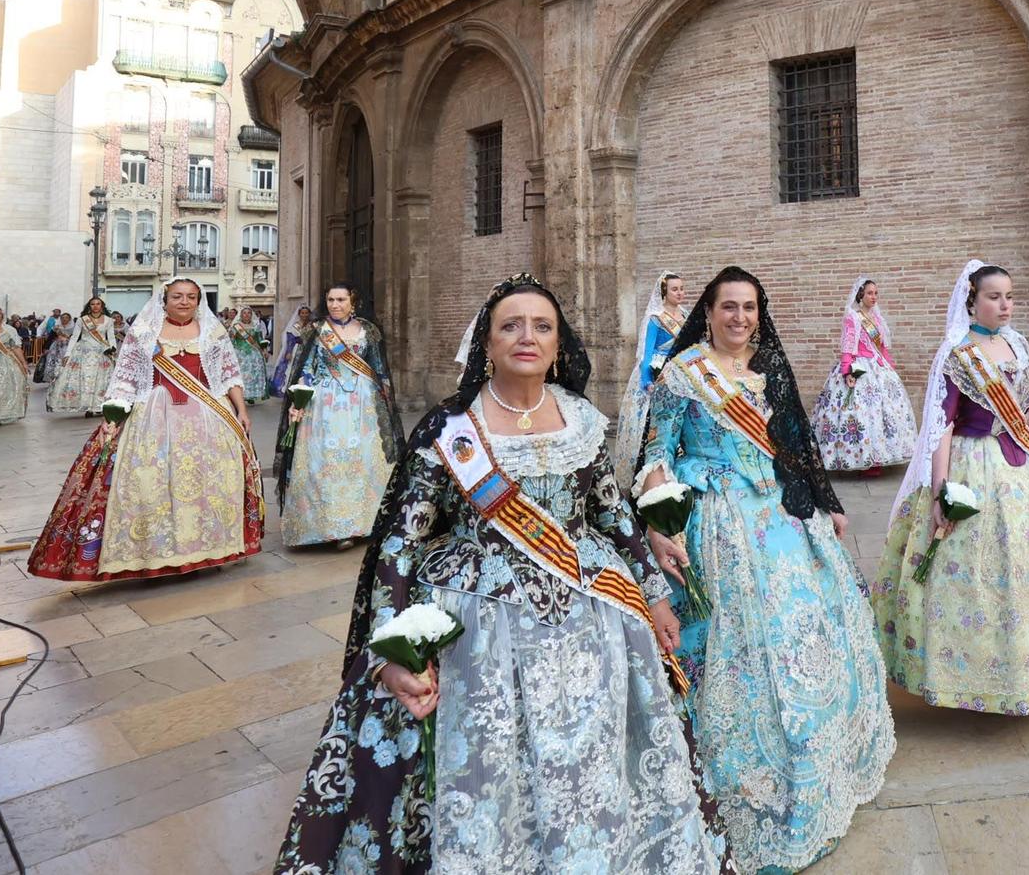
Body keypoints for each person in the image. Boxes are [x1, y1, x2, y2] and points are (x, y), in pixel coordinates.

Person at [275, 273, 735, 874]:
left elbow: (614, 516)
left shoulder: (583, 421)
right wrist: (391, 649)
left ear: (558, 345)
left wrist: (653, 597)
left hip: (590, 610)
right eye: (510, 326)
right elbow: (400, 543)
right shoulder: (451, 429)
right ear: (486, 345)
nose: (527, 336)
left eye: (542, 326)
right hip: (475, 625)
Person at [638, 265, 894, 873]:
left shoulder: (770, 368)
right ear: (708, 311)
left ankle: (818, 767)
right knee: (739, 647)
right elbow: (656, 450)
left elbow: (794, 444)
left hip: (782, 517)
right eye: (729, 307)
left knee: (806, 636)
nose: (740, 318)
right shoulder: (682, 374)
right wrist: (659, 521)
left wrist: (826, 504)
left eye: (749, 307)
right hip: (718, 522)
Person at [873, 260, 1029, 715]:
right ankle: (972, 677)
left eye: (1009, 295)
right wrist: (942, 487)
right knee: (981, 573)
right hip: (974, 464)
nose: (1004, 304)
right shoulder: (957, 354)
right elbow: (941, 427)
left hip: (1024, 467)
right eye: (993, 296)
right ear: (972, 301)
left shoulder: (1019, 345)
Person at [27, 279, 260, 581]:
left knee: (210, 483)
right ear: (164, 298)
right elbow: (125, 377)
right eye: (177, 296)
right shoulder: (143, 332)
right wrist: (114, 411)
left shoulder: (214, 332)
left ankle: (210, 548)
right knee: (152, 483)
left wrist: (241, 409)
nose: (184, 301)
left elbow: (229, 373)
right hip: (154, 416)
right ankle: (157, 552)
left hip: (209, 416)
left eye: (191, 297)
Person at [275, 283, 400, 547]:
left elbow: (379, 368)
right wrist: (299, 400)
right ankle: (329, 526)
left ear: (352, 302)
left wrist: (386, 398)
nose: (335, 304)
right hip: (325, 403)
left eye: (341, 299)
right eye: (331, 299)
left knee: (363, 458)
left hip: (363, 403)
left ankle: (364, 523)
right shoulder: (317, 330)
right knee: (325, 460)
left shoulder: (368, 330)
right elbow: (307, 367)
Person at [809, 277, 919, 475]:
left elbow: (882, 348)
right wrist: (847, 370)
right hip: (859, 366)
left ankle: (878, 458)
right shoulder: (853, 317)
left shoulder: (877, 318)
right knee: (860, 412)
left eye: (876, 293)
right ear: (861, 295)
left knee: (881, 413)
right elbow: (848, 344)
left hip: (878, 368)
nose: (874, 297)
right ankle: (860, 458)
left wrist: (890, 368)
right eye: (870, 293)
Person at [612, 270, 686, 492]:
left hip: (681, 375)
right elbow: (646, 353)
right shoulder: (656, 318)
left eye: (682, 288)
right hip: (659, 374)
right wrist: (647, 381)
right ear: (664, 291)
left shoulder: (685, 315)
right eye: (675, 289)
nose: (680, 293)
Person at [47, 297, 122, 415]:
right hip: (83, 352)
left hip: (101, 353)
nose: (95, 306)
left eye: (98, 304)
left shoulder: (108, 320)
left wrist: (113, 350)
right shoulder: (82, 320)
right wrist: (67, 353)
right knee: (85, 379)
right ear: (89, 306)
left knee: (100, 380)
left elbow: (111, 337)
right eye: (93, 304)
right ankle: (87, 406)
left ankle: (98, 405)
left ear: (102, 306)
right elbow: (74, 337)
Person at [228, 305, 272, 403]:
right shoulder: (236, 326)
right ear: (241, 315)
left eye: (249, 313)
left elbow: (260, 339)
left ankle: (251, 395)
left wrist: (264, 350)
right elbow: (231, 340)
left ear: (252, 315)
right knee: (241, 375)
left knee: (254, 374)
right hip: (240, 354)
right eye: (244, 313)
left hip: (254, 354)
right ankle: (241, 395)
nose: (246, 315)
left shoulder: (256, 325)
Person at [269, 305, 314, 395]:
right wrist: (289, 352)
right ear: (299, 314)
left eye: (306, 313)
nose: (304, 315)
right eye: (302, 313)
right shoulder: (294, 326)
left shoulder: (312, 325)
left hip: (310, 349)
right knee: (292, 368)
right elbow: (290, 340)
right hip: (296, 349)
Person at [36, 311, 76, 383]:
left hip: (68, 347)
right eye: (63, 318)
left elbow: (76, 338)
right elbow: (50, 338)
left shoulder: (73, 328)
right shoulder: (56, 327)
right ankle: (54, 379)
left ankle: (67, 378)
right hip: (56, 347)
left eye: (66, 318)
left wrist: (67, 339)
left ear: (69, 319)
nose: (64, 319)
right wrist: (46, 348)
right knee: (53, 362)